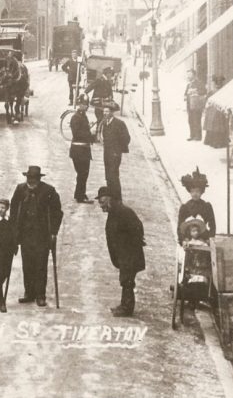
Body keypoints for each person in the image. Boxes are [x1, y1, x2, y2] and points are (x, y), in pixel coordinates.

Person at [9, 166, 63, 307]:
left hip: (42, 235)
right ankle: (29, 293)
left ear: (39, 179)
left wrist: (53, 232)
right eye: (29, 178)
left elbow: (57, 212)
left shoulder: (49, 191)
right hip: (26, 234)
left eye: (34, 179)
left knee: (40, 265)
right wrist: (13, 231)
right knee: (27, 264)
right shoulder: (20, 189)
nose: (31, 181)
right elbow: (14, 211)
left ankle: (40, 295)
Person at [96, 186, 146, 317]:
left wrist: (130, 248)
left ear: (109, 199)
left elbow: (137, 229)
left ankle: (127, 308)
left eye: (101, 202)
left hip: (130, 254)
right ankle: (124, 305)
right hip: (124, 254)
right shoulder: (114, 212)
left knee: (127, 280)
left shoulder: (124, 212)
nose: (100, 206)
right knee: (125, 279)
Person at [101, 102, 130, 202]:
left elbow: (126, 138)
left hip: (115, 154)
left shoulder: (119, 123)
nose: (105, 113)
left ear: (112, 112)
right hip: (106, 154)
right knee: (108, 176)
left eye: (107, 111)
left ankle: (118, 199)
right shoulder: (105, 123)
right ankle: (111, 197)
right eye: (104, 111)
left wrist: (117, 150)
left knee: (114, 176)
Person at [177, 168, 216, 240]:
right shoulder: (185, 207)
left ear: (201, 192)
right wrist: (183, 240)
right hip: (188, 239)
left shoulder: (207, 206)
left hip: (204, 238)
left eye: (197, 191)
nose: (195, 194)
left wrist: (209, 239)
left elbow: (212, 226)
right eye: (192, 191)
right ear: (190, 192)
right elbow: (180, 227)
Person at [69, 96, 94, 203]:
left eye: (87, 104)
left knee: (84, 173)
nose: (87, 106)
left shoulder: (83, 116)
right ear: (80, 105)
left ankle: (80, 193)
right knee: (82, 173)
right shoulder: (76, 117)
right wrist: (90, 134)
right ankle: (80, 196)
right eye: (84, 104)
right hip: (79, 150)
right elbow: (77, 134)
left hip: (84, 150)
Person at [202, 76, 228, 148]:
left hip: (215, 110)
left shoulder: (213, 91)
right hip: (217, 110)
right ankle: (218, 142)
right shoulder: (220, 91)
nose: (218, 85)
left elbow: (207, 100)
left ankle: (214, 142)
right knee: (218, 127)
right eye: (217, 83)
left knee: (215, 126)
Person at [184, 69, 207, 141]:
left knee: (197, 120)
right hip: (189, 105)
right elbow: (185, 93)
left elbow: (204, 91)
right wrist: (185, 96)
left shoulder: (199, 83)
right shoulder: (188, 84)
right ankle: (192, 135)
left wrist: (195, 91)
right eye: (187, 75)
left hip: (196, 105)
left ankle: (198, 136)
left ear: (194, 75)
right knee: (190, 120)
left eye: (190, 74)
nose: (188, 76)